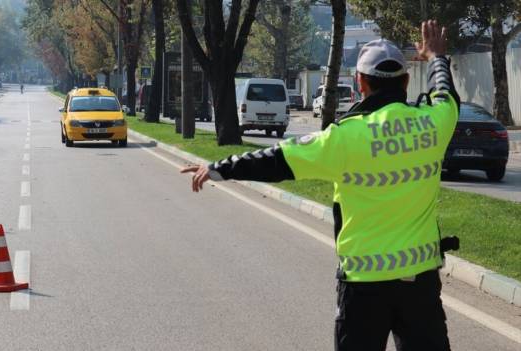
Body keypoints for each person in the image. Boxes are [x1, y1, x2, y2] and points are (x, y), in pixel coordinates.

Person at [181, 20, 459, 351]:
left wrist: (216, 169)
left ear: (360, 83)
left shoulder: (343, 138)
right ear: (406, 80)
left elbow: (275, 160)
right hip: (420, 285)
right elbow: (445, 92)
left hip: (363, 288)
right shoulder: (433, 124)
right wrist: (437, 57)